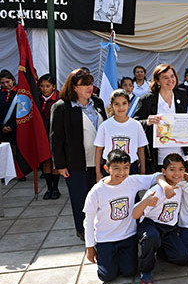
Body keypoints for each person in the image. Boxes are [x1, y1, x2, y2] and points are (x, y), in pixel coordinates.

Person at [83, 150, 168, 283]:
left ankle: (120, 258)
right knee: (107, 276)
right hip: (105, 238)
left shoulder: (132, 181)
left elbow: (157, 176)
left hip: (127, 236)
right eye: (116, 168)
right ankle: (107, 258)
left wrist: (166, 186)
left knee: (129, 272)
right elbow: (88, 221)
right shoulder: (96, 191)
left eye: (126, 168)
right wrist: (89, 247)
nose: (121, 173)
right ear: (107, 168)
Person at [51, 68, 108, 240]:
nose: (89, 87)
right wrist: (60, 165)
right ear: (74, 87)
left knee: (99, 197)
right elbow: (56, 138)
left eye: (90, 83)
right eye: (84, 84)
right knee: (80, 198)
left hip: (99, 161)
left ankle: (100, 227)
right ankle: (83, 229)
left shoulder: (97, 103)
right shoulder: (61, 107)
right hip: (75, 163)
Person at [133, 153, 188, 284]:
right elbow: (135, 214)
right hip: (151, 225)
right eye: (172, 169)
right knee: (151, 237)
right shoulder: (157, 190)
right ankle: (145, 270)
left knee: (182, 258)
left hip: (169, 227)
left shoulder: (182, 184)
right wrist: (145, 202)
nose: (177, 173)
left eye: (181, 169)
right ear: (164, 172)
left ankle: (160, 249)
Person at [134, 64, 188, 172]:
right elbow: (135, 122)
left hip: (181, 153)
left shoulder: (183, 95)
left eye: (172, 76)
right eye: (165, 77)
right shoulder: (147, 99)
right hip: (158, 156)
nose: (170, 80)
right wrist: (147, 122)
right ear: (158, 81)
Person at [94, 89, 148, 181]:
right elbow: (99, 149)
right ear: (111, 106)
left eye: (124, 103)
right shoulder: (105, 125)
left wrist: (142, 169)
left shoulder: (136, 125)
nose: (121, 107)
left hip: (131, 167)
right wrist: (98, 172)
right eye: (116, 104)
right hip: (110, 168)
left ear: (129, 104)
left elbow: (141, 149)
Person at [38, 74, 61, 199]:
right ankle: (49, 188)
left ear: (53, 87)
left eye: (48, 86)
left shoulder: (59, 99)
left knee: (54, 161)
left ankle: (56, 187)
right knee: (45, 161)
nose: (45, 89)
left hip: (55, 133)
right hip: (42, 133)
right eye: (42, 86)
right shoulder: (37, 98)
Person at [0, 70, 17, 152]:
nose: (5, 85)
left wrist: (12, 126)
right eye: (2, 83)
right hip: (1, 131)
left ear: (13, 80)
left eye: (7, 82)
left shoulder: (20, 93)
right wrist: (2, 127)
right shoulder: (1, 94)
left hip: (15, 131)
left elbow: (22, 112)